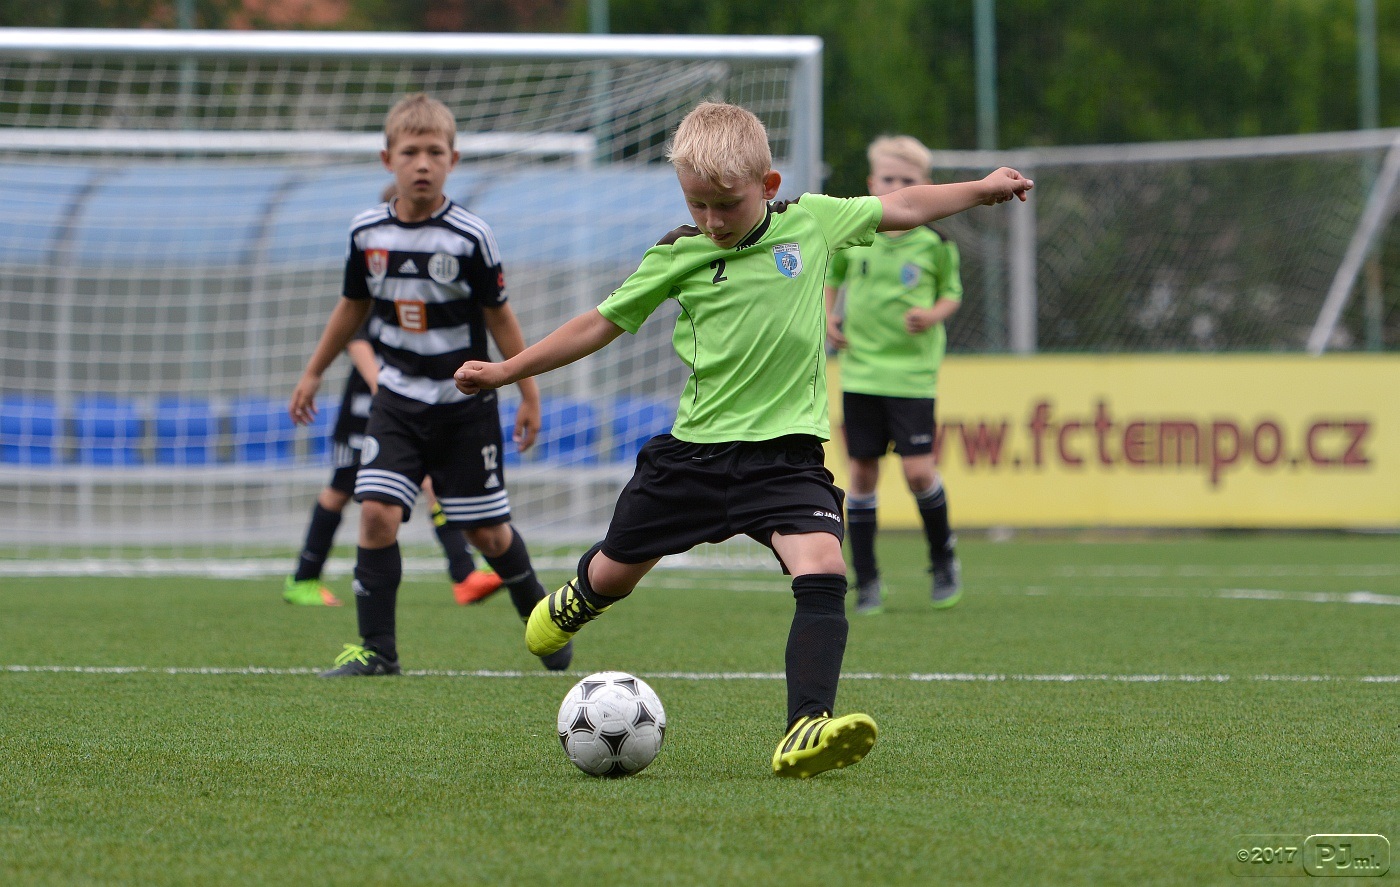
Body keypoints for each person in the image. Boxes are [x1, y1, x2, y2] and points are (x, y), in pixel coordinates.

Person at [454, 101, 1031, 777]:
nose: (712, 220)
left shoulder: (813, 223)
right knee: (614, 572)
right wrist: (509, 370)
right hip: (694, 458)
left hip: (786, 459)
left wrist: (980, 189)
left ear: (768, 184)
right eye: (696, 204)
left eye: (726, 204)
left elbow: (903, 206)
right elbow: (599, 323)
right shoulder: (679, 252)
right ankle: (579, 596)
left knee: (824, 567)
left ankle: (805, 726)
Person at [290, 93, 568, 676]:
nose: (423, 163)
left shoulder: (470, 236)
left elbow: (499, 317)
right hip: (395, 400)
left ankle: (540, 617)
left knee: (488, 535)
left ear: (453, 160)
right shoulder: (367, 232)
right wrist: (314, 371)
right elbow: (352, 305)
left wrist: (528, 391)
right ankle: (378, 652)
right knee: (375, 513)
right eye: (411, 151)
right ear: (387, 158)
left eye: (435, 152)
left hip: (464, 405)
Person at [824, 135, 964, 615]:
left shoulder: (936, 243)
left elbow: (952, 293)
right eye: (888, 178)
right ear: (872, 183)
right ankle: (866, 580)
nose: (897, 186)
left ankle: (943, 559)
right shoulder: (857, 235)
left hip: (911, 376)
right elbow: (832, 278)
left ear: (924, 186)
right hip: (861, 373)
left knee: (918, 472)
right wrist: (830, 316)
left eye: (908, 180)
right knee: (862, 474)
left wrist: (932, 314)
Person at [281, 321, 504, 608]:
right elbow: (354, 336)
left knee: (431, 480)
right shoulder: (374, 296)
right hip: (370, 405)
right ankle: (303, 579)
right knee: (341, 489)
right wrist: (383, 389)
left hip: (408, 405)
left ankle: (464, 575)